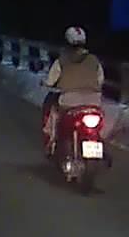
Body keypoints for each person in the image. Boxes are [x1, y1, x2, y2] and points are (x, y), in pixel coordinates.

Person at [42, 26, 104, 155]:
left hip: (69, 101)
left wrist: (45, 83)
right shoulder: (93, 60)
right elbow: (100, 79)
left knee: (54, 111)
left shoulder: (61, 60)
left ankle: (52, 140)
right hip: (93, 101)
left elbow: (50, 80)